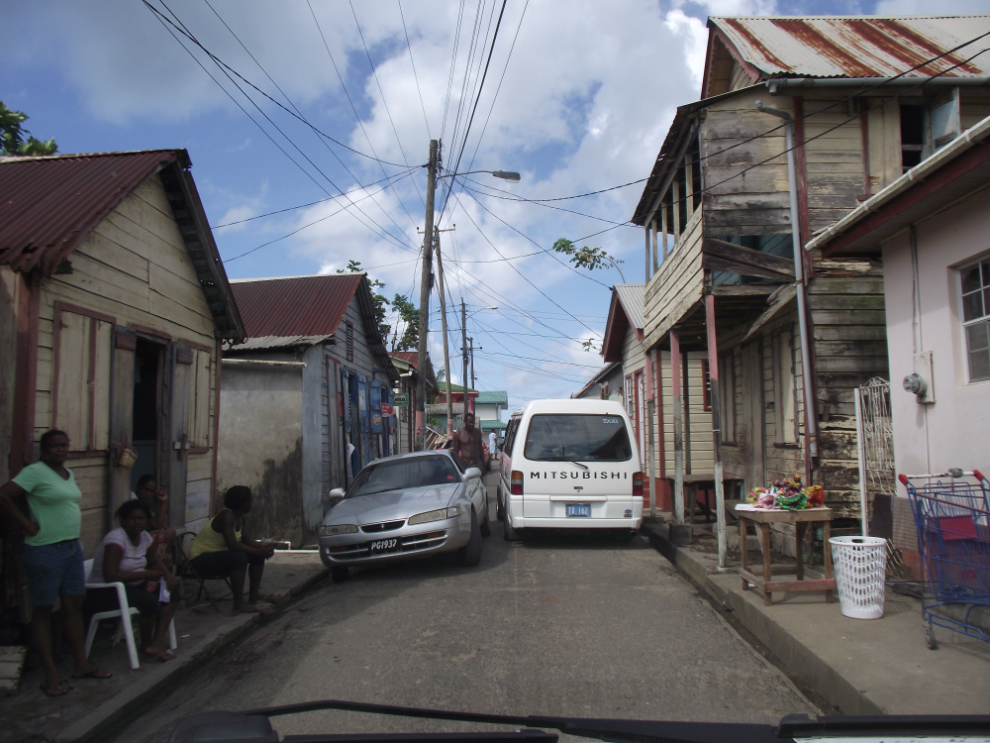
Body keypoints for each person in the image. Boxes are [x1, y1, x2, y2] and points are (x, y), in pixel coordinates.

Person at [0, 430, 111, 697]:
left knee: (73, 605)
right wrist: (25, 523)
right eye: (55, 446)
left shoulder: (67, 473)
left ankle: (81, 664)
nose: (61, 450)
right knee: (43, 610)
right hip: (44, 550)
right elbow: (3, 495)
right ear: (44, 449)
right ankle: (50, 674)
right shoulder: (35, 472)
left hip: (71, 548)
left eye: (64, 445)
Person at [87, 500, 179, 661]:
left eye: (141, 518)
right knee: (148, 601)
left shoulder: (144, 537)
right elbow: (110, 575)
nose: (137, 522)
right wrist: (145, 575)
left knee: (170, 592)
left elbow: (153, 562)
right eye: (132, 518)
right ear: (123, 521)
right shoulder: (116, 540)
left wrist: (167, 576)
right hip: (107, 592)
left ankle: (156, 643)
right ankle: (145, 644)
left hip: (131, 586)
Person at [188, 486, 277, 613]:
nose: (251, 504)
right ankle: (238, 605)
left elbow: (247, 540)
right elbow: (233, 545)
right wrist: (258, 551)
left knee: (256, 556)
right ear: (243, 504)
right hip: (200, 560)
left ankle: (254, 595)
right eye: (250, 501)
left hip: (216, 556)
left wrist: (262, 548)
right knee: (239, 557)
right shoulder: (227, 516)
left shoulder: (239, 517)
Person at [129, 474, 177, 567]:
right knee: (169, 533)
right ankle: (156, 566)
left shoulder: (143, 503)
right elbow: (156, 525)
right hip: (133, 537)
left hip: (141, 535)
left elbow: (157, 524)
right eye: (146, 490)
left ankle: (160, 566)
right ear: (138, 486)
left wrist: (163, 502)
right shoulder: (132, 497)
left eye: (151, 492)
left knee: (171, 532)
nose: (148, 494)